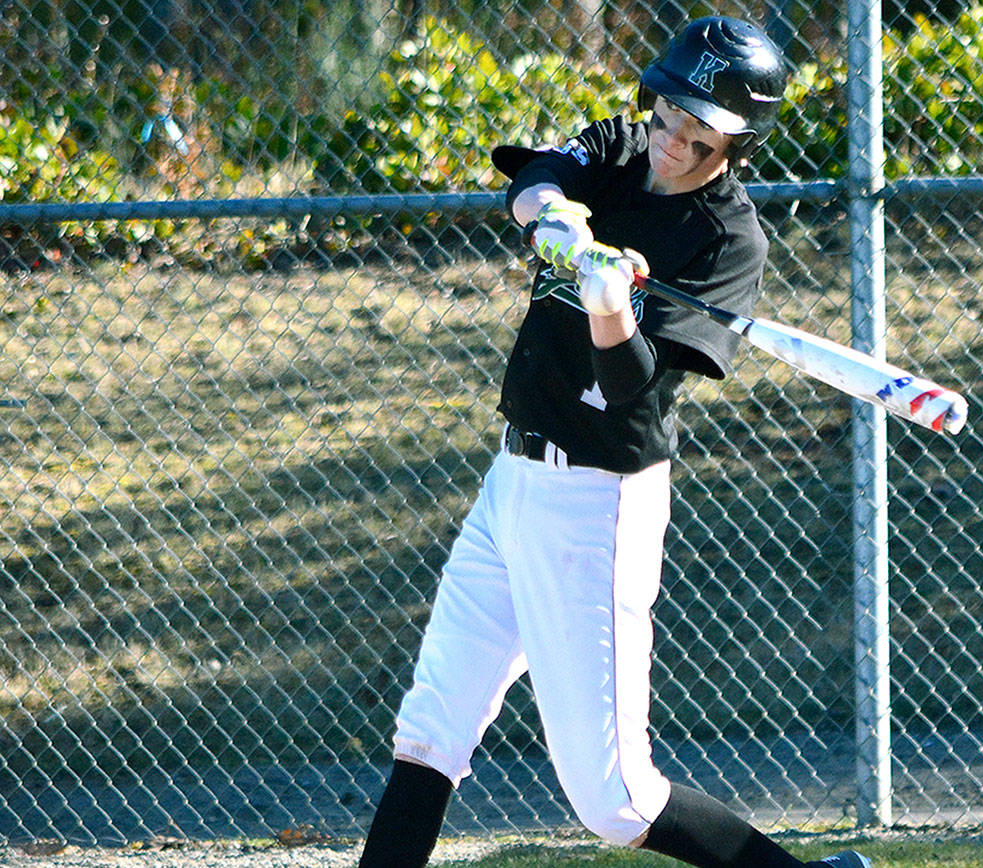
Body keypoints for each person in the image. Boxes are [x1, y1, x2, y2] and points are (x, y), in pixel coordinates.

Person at [356, 16, 871, 868]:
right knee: (431, 730)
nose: (670, 142)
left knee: (616, 799)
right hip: (513, 479)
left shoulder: (727, 240)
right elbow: (539, 178)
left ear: (735, 147)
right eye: (668, 115)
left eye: (699, 136)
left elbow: (629, 393)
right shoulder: (623, 148)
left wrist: (608, 306)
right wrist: (555, 218)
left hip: (597, 505)